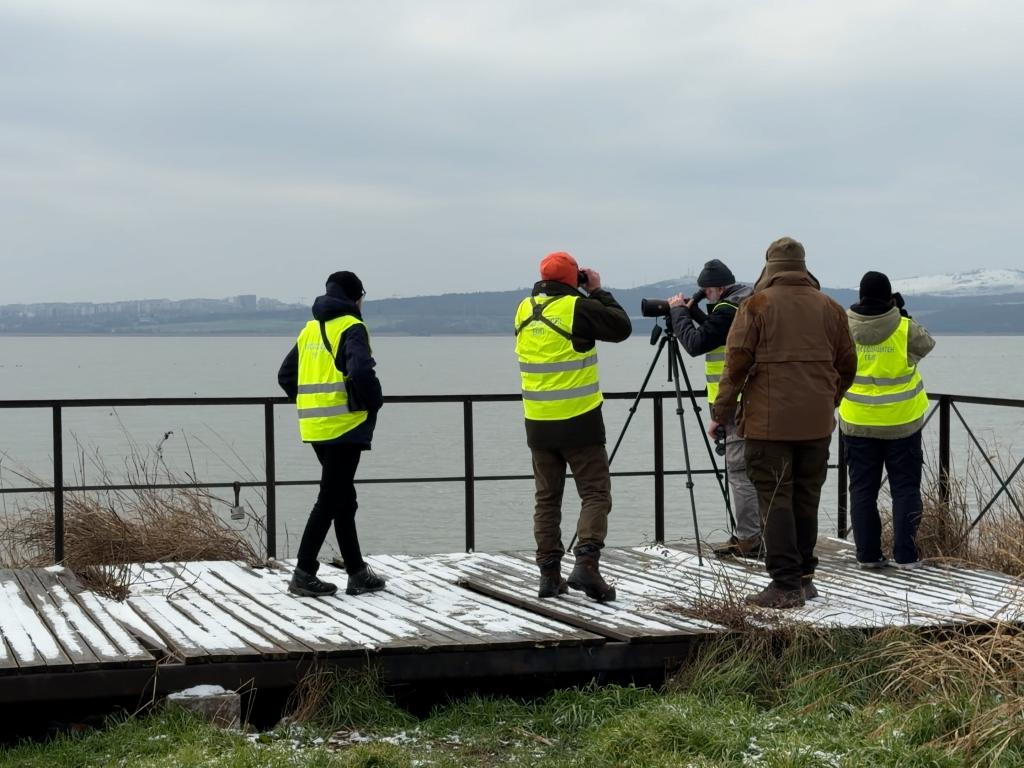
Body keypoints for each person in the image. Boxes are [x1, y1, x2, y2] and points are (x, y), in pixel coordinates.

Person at [708, 237, 857, 609]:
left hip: (767, 425)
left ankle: (785, 584)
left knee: (775, 501)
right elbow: (848, 365)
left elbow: (735, 365)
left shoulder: (755, 306)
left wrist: (721, 413)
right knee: (806, 499)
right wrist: (829, 400)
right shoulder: (831, 308)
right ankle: (805, 579)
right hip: (817, 424)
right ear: (804, 266)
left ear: (769, 267)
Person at [514, 251, 632, 601]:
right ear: (573, 279)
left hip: (538, 423)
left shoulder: (523, 309)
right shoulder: (576, 308)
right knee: (595, 493)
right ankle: (586, 564)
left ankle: (549, 576)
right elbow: (621, 326)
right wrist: (596, 290)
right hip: (580, 422)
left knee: (547, 499)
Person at [277, 270, 387, 598]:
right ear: (356, 297)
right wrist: (374, 401)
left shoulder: (310, 328)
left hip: (315, 426)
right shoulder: (352, 327)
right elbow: (360, 371)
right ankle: (303, 572)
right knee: (330, 499)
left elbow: (285, 375)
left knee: (342, 498)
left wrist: (311, 402)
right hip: (345, 426)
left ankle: (357, 571)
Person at [839, 271, 935, 570]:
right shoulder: (904, 327)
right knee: (905, 488)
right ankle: (906, 556)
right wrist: (902, 313)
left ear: (860, 295)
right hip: (901, 422)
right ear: (890, 297)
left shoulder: (843, 326)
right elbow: (926, 344)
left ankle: (868, 555)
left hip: (857, 421)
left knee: (862, 489)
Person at [667, 259, 760, 558]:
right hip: (752, 400)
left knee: (740, 473)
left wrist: (678, 312)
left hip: (735, 404)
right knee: (757, 472)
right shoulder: (746, 302)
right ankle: (758, 534)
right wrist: (691, 310)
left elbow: (696, 343)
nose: (705, 297)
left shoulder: (728, 310)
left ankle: (749, 539)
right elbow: (715, 331)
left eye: (706, 292)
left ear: (719, 288)